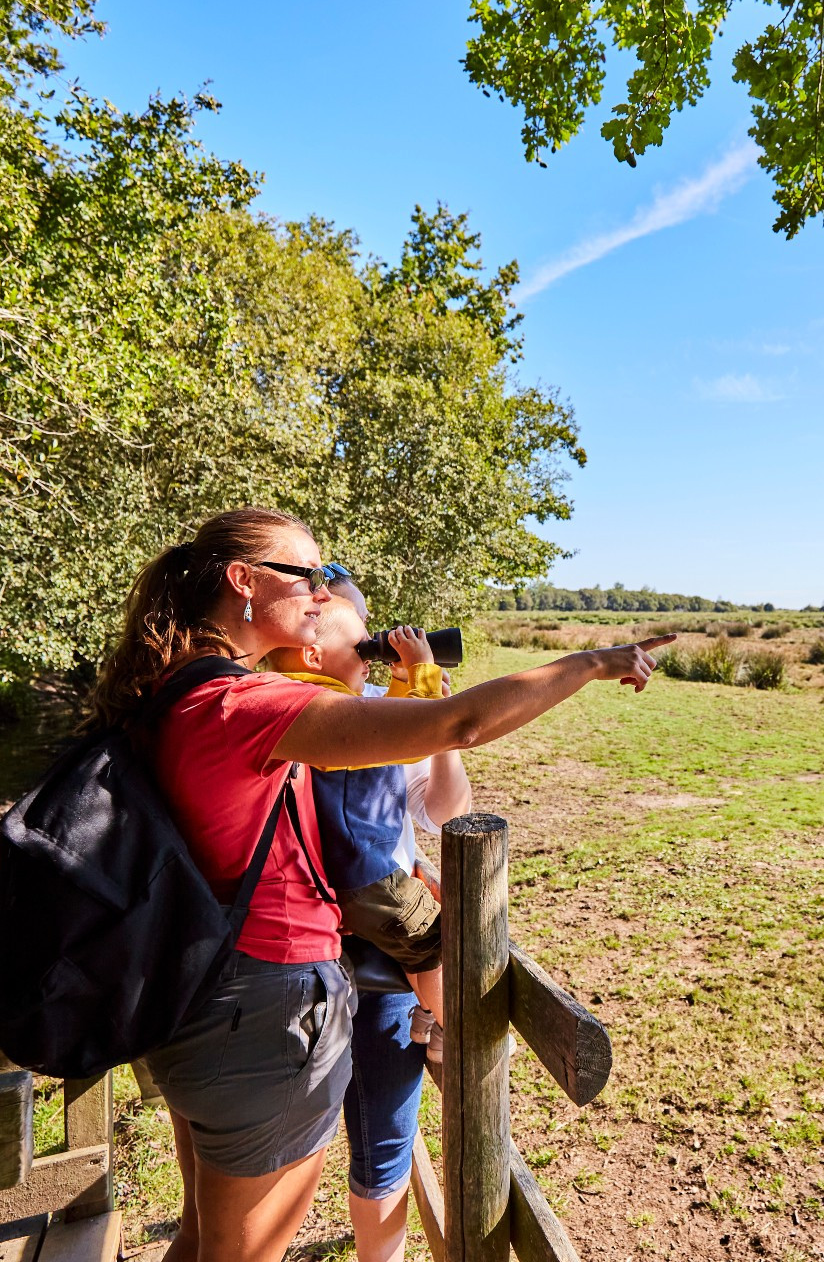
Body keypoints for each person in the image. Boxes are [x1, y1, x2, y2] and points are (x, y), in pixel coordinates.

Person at [89, 507, 670, 1262]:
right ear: (242, 582)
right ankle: (443, 1034)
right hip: (265, 1012)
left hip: (195, 995)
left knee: (203, 1239)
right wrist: (593, 662)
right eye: (308, 577)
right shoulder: (247, 704)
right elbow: (458, 724)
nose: (323, 596)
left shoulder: (181, 691)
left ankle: (432, 1029)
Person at [267, 582, 463, 1262]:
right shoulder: (327, 707)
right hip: (354, 910)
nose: (376, 650)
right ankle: (446, 1030)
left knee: (371, 1142)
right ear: (315, 646)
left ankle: (437, 1025)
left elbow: (442, 803)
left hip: (325, 933)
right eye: (365, 641)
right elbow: (405, 732)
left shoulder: (293, 697)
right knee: (437, 942)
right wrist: (426, 681)